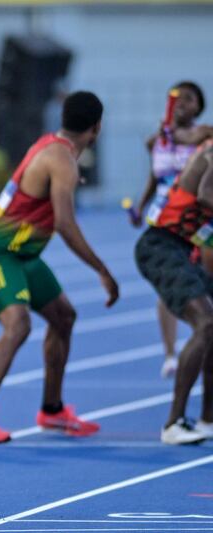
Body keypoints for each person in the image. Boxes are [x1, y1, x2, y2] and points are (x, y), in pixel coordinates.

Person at [0, 91, 119, 445]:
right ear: (97, 127)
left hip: (24, 255)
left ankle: (52, 410)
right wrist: (102, 270)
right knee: (17, 326)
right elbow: (65, 223)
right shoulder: (61, 159)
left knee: (64, 317)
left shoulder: (53, 147)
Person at [131, 81, 213, 379]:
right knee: (170, 284)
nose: (181, 103)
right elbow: (153, 178)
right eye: (176, 98)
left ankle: (203, 341)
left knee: (203, 280)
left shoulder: (203, 134)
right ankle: (170, 354)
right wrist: (141, 207)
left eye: (189, 99)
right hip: (163, 217)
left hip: (197, 215)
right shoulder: (156, 141)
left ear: (198, 107)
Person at [135, 142, 213, 445]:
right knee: (205, 323)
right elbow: (206, 195)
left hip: (185, 250)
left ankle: (208, 420)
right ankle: (173, 423)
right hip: (161, 246)